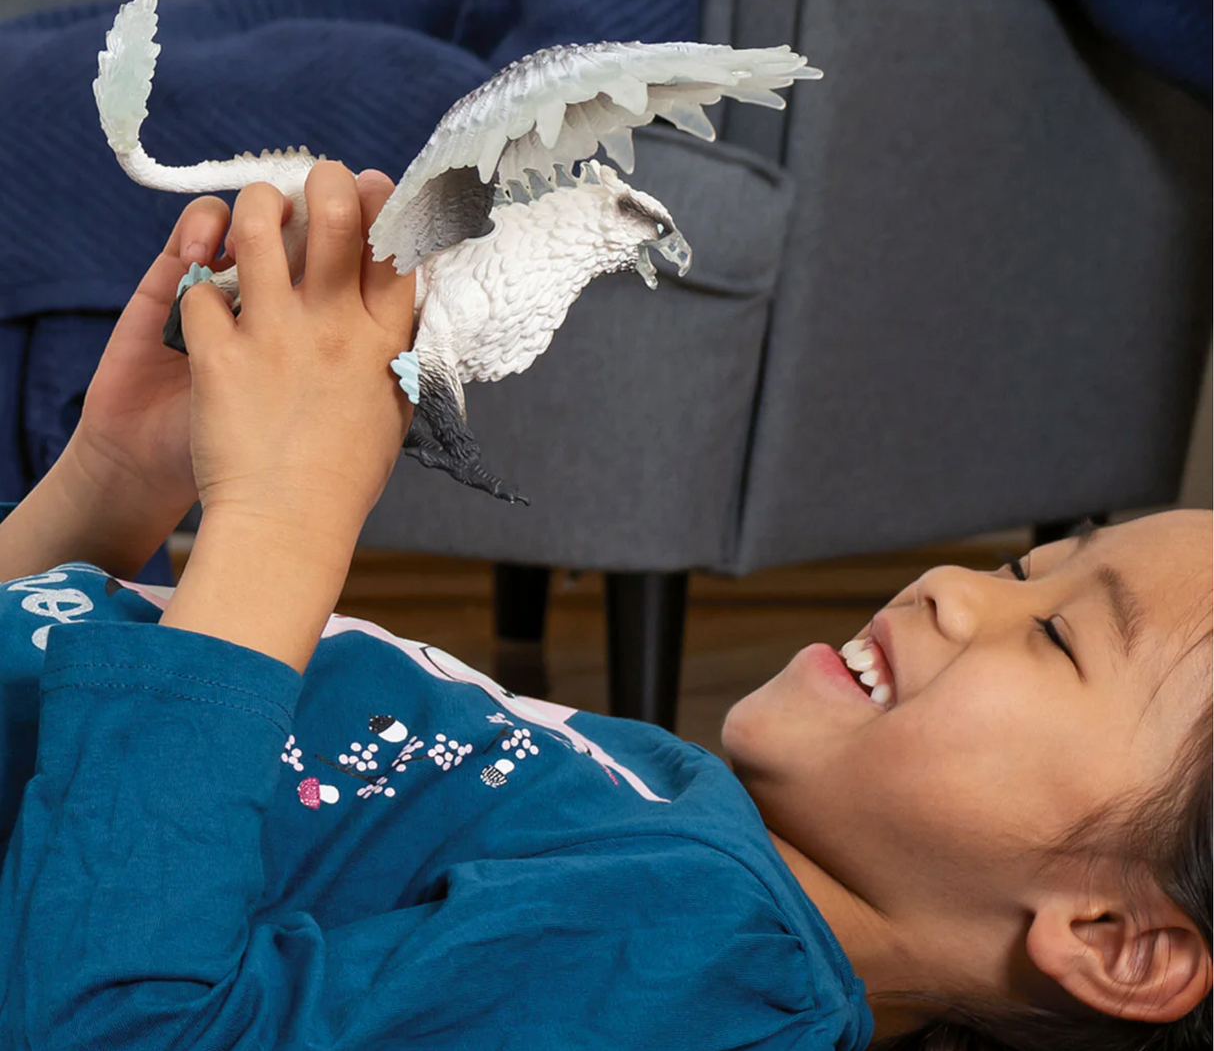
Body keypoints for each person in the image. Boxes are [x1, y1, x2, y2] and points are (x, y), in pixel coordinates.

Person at [0, 164, 1209, 1050]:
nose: (952, 588)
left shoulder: (712, 968)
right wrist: (110, 487)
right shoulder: (677, 815)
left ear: (1117, 940)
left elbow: (113, 1026)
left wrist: (280, 519)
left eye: (1056, 637)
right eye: (1022, 571)